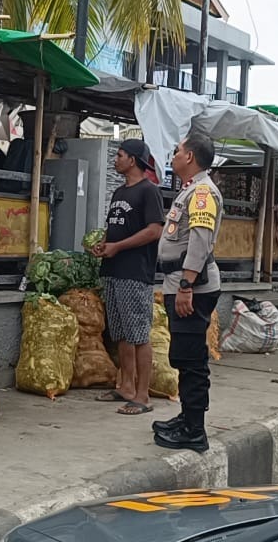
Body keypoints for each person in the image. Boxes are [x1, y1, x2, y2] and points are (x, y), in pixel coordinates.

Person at [151, 133, 223, 453]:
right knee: (183, 355)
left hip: (191, 286)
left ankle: (194, 430)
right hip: (181, 282)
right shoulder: (191, 190)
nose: (173, 155)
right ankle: (186, 417)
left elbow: (200, 240)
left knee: (192, 360)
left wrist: (186, 285)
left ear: (190, 156)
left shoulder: (202, 192)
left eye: (177, 151)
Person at [91, 139, 164, 416]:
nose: (116, 159)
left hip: (135, 272)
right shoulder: (120, 192)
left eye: (120, 155)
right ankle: (126, 387)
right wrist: (105, 244)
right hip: (113, 270)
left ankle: (143, 396)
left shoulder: (149, 191)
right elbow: (116, 227)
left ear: (132, 160)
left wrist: (119, 247)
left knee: (139, 335)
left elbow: (154, 230)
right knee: (121, 333)